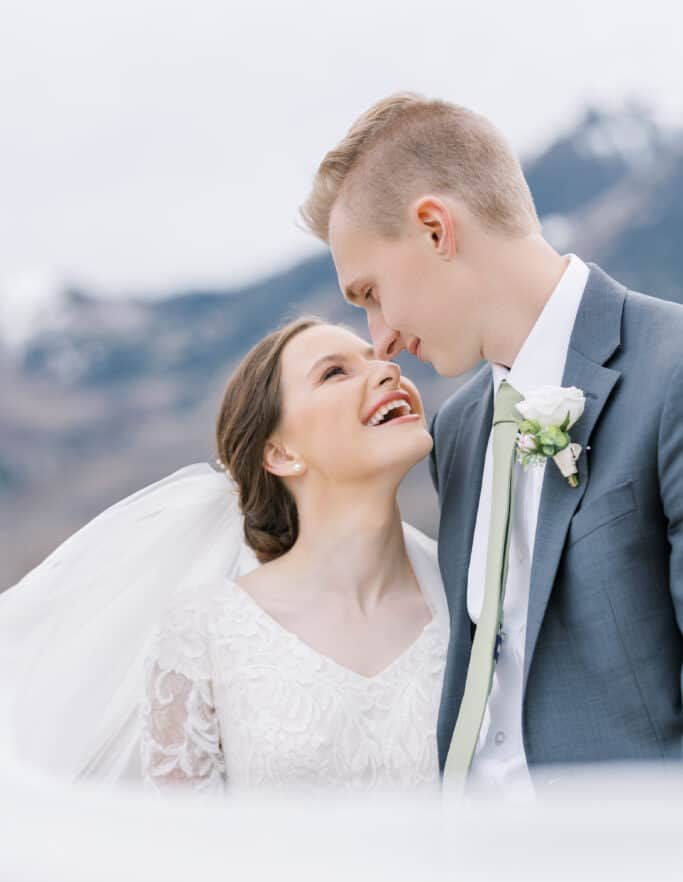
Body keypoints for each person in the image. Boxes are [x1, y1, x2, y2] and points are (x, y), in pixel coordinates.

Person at [302, 92, 683, 799]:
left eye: (371, 291)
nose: (377, 336)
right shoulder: (457, 431)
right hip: (476, 879)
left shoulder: (672, 370)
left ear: (433, 229)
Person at [0, 316, 449, 794]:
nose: (388, 372)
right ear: (279, 454)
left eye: (377, 360)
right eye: (334, 373)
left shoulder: (468, 596)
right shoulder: (203, 635)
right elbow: (187, 851)